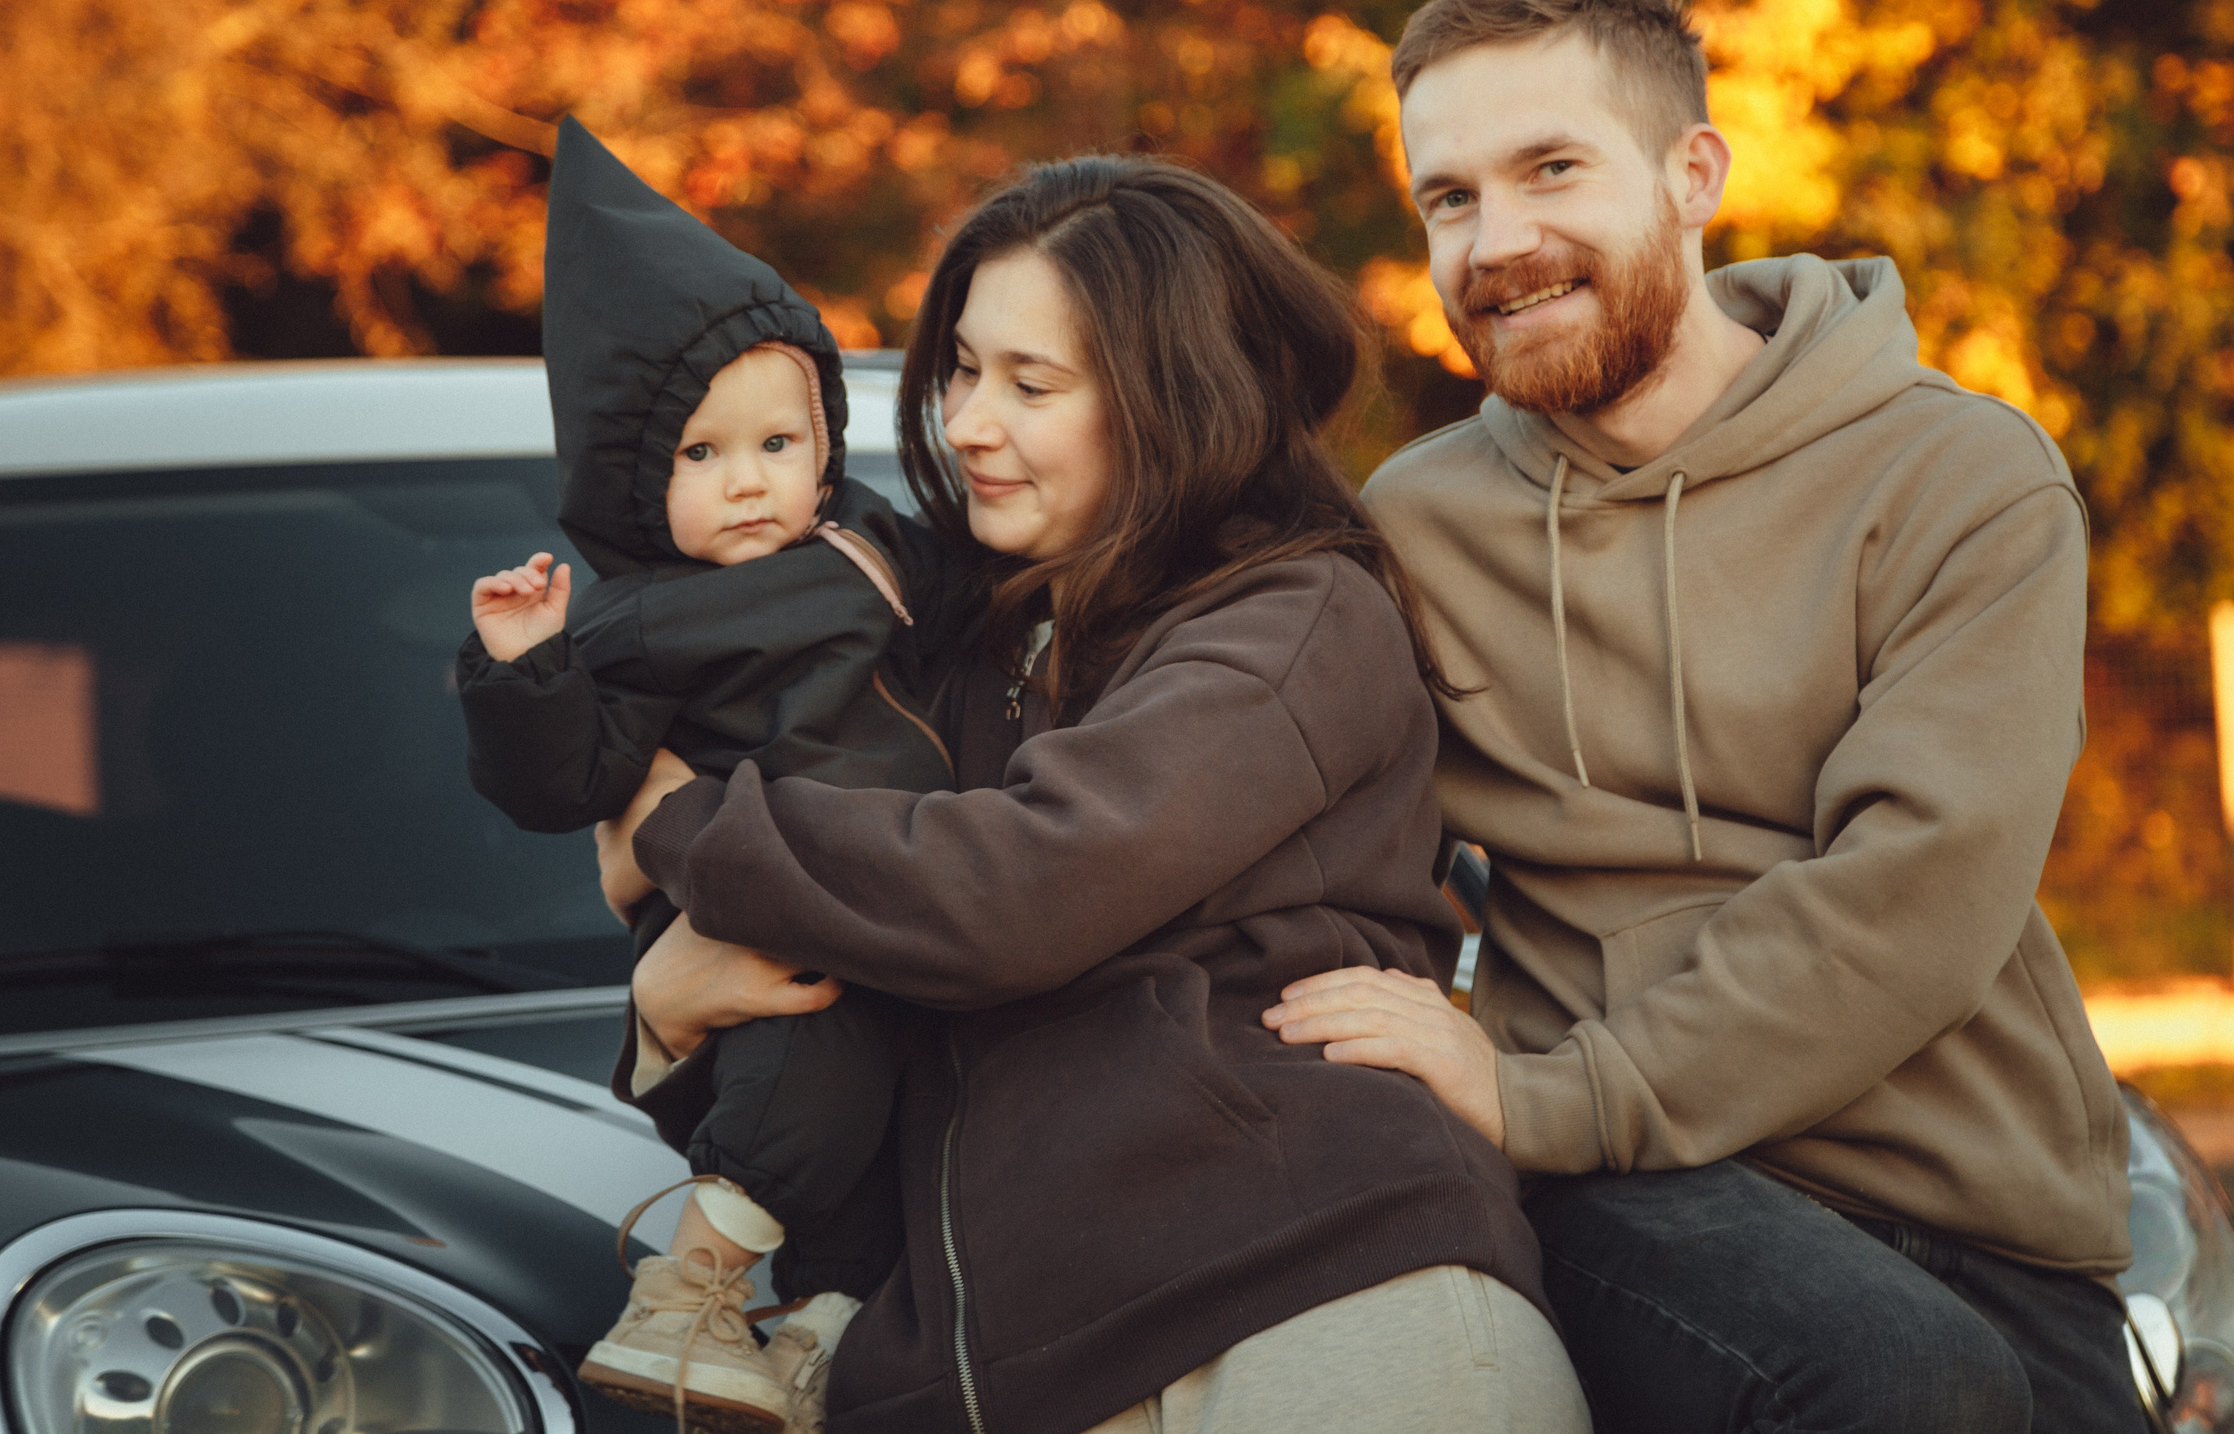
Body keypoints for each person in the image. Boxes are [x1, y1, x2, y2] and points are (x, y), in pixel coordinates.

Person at [1266, 0, 2145, 1433]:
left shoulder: (1962, 478)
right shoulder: (1413, 528)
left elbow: (1913, 890)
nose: (1500, 242)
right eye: (1451, 199)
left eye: (1553, 169)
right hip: (1633, 1188)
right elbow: (1253, 799)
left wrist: (1557, 1089)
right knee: (1905, 1380)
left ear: (1693, 173)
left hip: (1980, 1217)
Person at [599, 156, 1592, 1434]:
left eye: (1031, 383)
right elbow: (831, 1051)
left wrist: (676, 828)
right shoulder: (931, 647)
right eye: (961, 368)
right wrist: (664, 1020)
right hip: (1001, 1368)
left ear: (1172, 401)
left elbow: (1018, 889)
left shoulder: (1293, 618)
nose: (963, 423)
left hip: (1306, 1302)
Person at [457, 118, 954, 1430]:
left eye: (777, 445)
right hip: (758, 918)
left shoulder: (877, 551)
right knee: (818, 1057)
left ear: (825, 443)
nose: (749, 483)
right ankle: (688, 1292)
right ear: (635, 475)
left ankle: (816, 1332)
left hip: (904, 905)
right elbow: (566, 781)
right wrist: (524, 669)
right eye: (701, 454)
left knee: (880, 1154)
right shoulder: (639, 623)